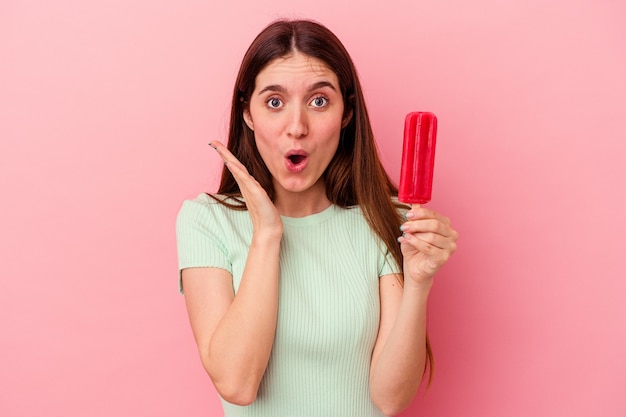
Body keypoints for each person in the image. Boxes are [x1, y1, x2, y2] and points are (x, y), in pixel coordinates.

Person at [176, 18, 458, 417]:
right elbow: (237, 384)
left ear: (346, 114)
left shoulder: (387, 218)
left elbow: (390, 398)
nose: (297, 127)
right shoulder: (206, 222)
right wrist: (268, 234)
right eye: (274, 102)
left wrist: (418, 282)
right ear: (248, 114)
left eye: (319, 101)